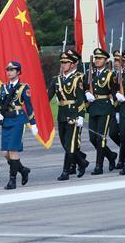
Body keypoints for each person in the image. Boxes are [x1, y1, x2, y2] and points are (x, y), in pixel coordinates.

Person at [47, 49, 88, 180]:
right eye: (62, 62)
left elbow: (81, 99)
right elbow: (47, 97)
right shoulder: (56, 80)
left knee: (70, 143)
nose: (63, 64)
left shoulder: (79, 78)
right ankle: (82, 162)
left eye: (66, 62)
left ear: (73, 64)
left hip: (74, 114)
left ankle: (65, 171)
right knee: (64, 143)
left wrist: (81, 115)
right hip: (62, 114)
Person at [0, 61, 35, 190]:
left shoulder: (24, 87)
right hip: (6, 120)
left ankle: (12, 180)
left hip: (18, 120)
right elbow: (1, 101)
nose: (9, 72)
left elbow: (28, 106)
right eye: (8, 70)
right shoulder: (4, 87)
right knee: (5, 153)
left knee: (12, 151)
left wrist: (33, 123)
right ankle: (22, 170)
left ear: (18, 72)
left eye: (12, 70)